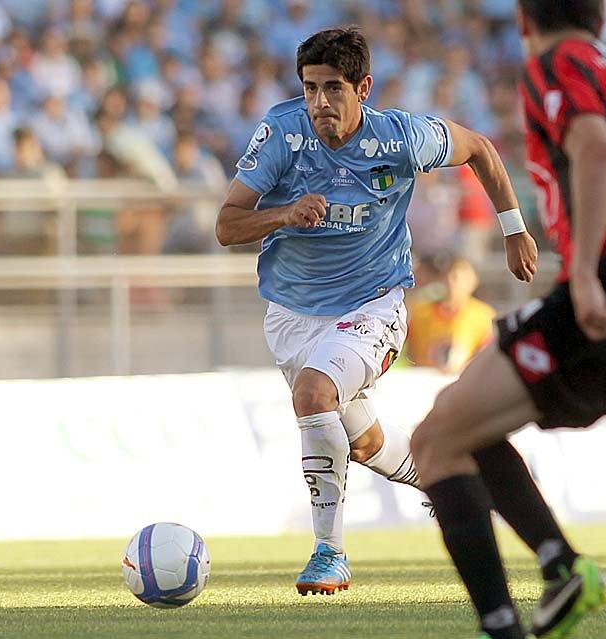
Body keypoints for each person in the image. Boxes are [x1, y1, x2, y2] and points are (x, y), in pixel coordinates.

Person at [410, 3, 606, 639]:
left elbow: (596, 150)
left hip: (604, 298)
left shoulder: (556, 65)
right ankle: (559, 566)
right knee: (460, 430)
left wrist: (582, 272)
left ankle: (504, 623)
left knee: (432, 444)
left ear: (526, 19)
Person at [215, 27, 537, 597]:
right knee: (360, 443)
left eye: (333, 88)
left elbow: (481, 150)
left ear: (363, 88)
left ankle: (328, 553)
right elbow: (227, 224)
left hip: (376, 304)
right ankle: (441, 483)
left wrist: (513, 228)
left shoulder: (401, 139)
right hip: (292, 315)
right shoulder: (281, 134)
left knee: (314, 395)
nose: (319, 102)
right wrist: (284, 215)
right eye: (310, 88)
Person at [405, 255, 496, 375]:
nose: (452, 283)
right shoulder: (420, 312)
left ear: (473, 281)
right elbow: (408, 353)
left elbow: (487, 358)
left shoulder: (483, 316)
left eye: (458, 278)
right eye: (448, 277)